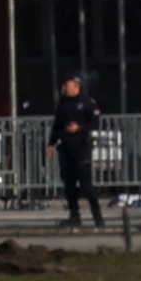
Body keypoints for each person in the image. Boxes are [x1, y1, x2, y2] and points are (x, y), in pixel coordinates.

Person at [50, 73, 104, 227]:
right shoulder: (63, 103)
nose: (64, 88)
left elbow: (95, 123)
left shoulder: (87, 102)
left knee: (86, 185)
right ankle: (74, 216)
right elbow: (57, 125)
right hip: (66, 148)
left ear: (75, 86)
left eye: (66, 85)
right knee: (69, 185)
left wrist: (79, 128)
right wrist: (51, 143)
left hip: (81, 147)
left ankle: (97, 216)